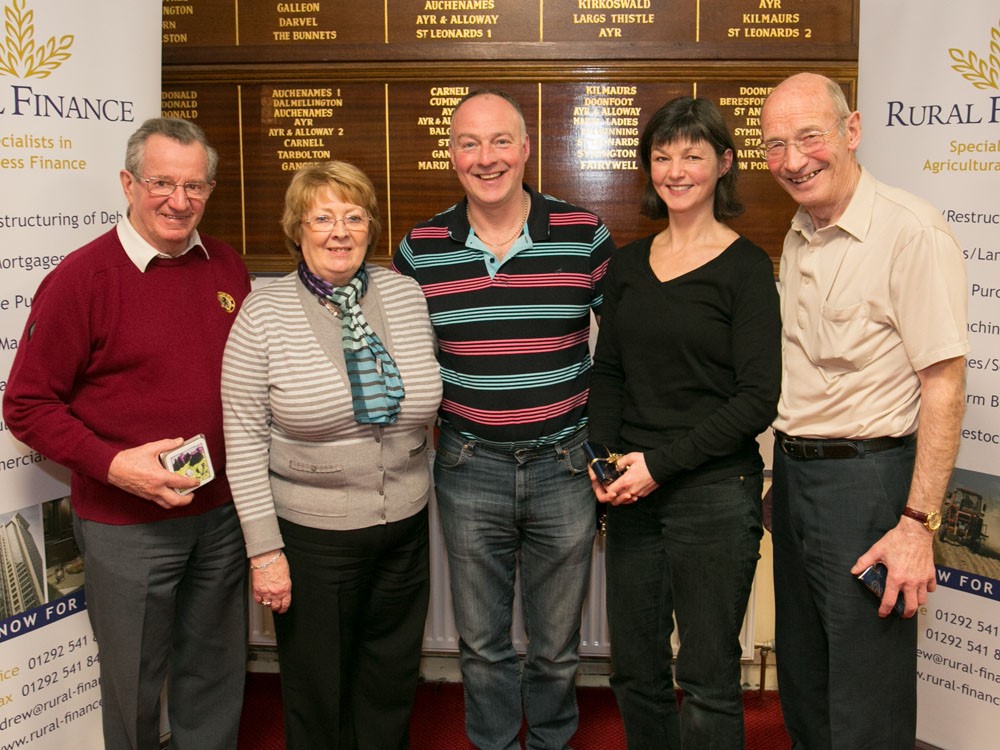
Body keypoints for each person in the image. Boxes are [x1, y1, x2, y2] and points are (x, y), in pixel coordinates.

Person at [3, 118, 251, 750]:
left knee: (214, 675)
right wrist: (116, 467)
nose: (179, 200)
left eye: (195, 186)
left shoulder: (225, 266)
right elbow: (26, 404)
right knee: (133, 685)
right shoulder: (82, 279)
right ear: (128, 182)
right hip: (127, 526)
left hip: (220, 516)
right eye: (161, 182)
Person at [392, 89, 616, 750]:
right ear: (451, 154)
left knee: (555, 645)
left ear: (524, 149)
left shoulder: (584, 235)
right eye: (469, 143)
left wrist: (606, 444)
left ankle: (549, 741)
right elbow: (403, 360)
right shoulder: (421, 248)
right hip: (468, 467)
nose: (485, 158)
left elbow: (627, 349)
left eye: (499, 142)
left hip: (564, 467)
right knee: (483, 644)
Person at [761, 73, 968, 749]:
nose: (793, 160)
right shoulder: (799, 233)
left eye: (810, 137)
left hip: (869, 488)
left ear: (852, 132)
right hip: (794, 481)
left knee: (866, 700)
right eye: (775, 145)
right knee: (806, 681)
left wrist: (916, 525)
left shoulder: (911, 232)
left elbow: (944, 382)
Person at [221, 161, 442, 750]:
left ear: (371, 225)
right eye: (322, 217)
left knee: (391, 680)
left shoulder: (404, 292)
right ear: (298, 228)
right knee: (318, 691)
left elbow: (428, 400)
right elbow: (241, 441)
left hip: (405, 526)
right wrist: (265, 550)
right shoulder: (261, 313)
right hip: (312, 538)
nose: (339, 231)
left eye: (353, 215)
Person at [587, 96, 781, 748]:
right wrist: (602, 459)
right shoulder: (628, 267)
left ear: (723, 164)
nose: (676, 170)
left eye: (693, 155)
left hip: (713, 496)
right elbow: (608, 373)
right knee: (635, 671)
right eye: (662, 156)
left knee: (707, 675)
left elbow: (758, 398)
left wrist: (659, 466)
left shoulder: (748, 268)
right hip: (632, 494)